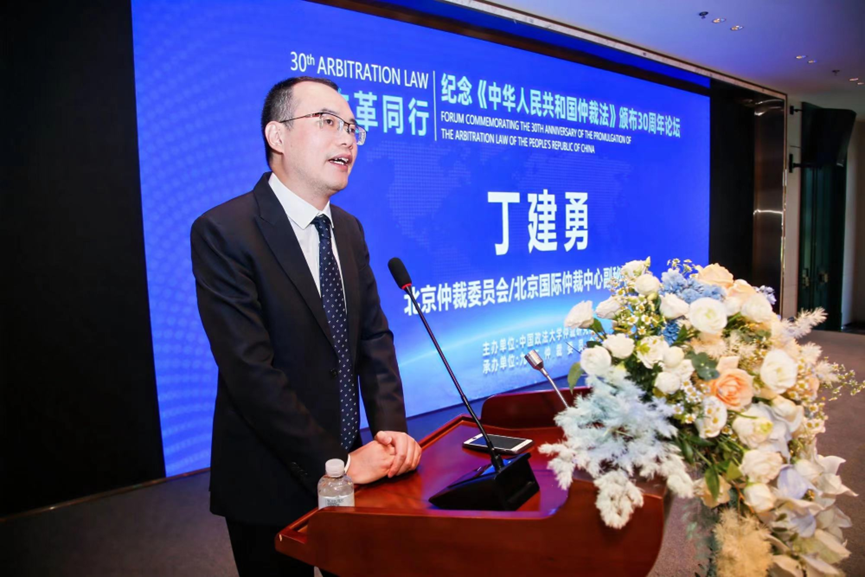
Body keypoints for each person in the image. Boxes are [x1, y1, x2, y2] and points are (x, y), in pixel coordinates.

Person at [191, 76, 421, 577]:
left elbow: (373, 339)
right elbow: (251, 372)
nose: (347, 139)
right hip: (269, 477)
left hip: (360, 471)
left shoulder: (349, 229)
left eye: (352, 128)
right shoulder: (225, 231)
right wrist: (338, 463)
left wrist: (389, 432)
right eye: (328, 122)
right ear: (277, 135)